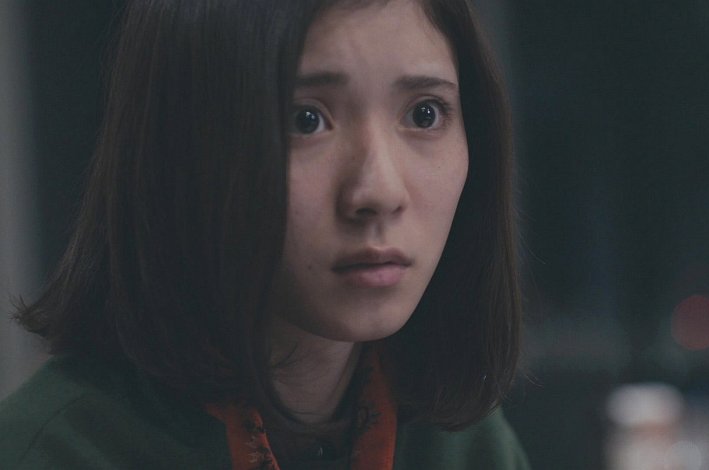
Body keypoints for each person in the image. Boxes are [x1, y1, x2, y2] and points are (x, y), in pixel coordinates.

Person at [0, 0, 528, 468]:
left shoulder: (459, 442)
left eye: (424, 114)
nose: (379, 191)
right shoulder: (53, 452)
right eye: (305, 120)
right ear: (182, 147)